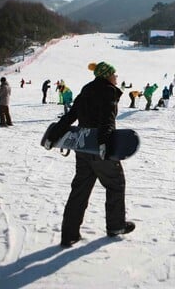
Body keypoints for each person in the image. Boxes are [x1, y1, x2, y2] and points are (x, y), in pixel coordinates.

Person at [43, 61, 135, 248]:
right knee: (116, 184)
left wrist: (53, 136)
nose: (116, 77)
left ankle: (69, 234)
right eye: (114, 74)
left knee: (80, 190)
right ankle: (116, 226)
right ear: (107, 75)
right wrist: (103, 143)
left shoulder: (87, 89)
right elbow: (106, 120)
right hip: (99, 148)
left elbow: (70, 116)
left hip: (83, 147)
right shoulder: (108, 90)